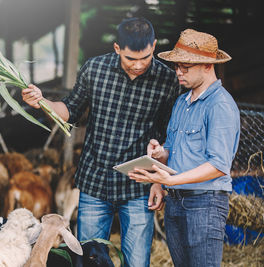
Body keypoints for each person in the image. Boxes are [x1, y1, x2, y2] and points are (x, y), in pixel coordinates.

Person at [22, 17, 182, 266]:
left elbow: (167, 133)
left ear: (154, 45)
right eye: (131, 59)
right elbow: (70, 109)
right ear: (117, 48)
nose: (139, 65)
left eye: (146, 57)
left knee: (138, 262)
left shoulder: (167, 79)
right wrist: (43, 102)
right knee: (89, 260)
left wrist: (158, 182)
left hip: (138, 185)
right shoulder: (95, 69)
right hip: (95, 182)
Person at [128, 29, 240, 267]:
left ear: (208, 66)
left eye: (185, 67)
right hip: (176, 201)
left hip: (205, 204)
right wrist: (160, 156)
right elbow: (173, 150)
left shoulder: (220, 105)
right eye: (177, 66)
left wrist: (169, 181)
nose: (178, 71)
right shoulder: (181, 102)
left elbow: (218, 165)